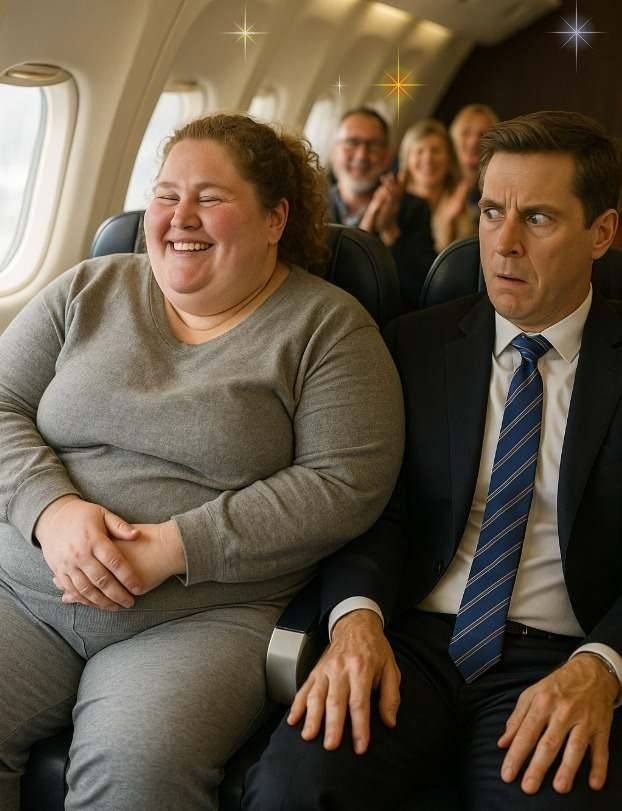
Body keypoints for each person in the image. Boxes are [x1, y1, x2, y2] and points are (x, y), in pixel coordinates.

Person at [0, 113, 404, 810]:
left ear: (275, 218)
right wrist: (51, 510)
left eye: (210, 198)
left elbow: (343, 484)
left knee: (135, 773)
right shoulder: (86, 289)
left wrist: (177, 546)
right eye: (166, 195)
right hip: (27, 591)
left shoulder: (328, 329)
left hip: (202, 615)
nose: (180, 217)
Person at [243, 110, 622, 810]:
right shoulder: (412, 345)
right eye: (492, 211)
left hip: (561, 656)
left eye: (537, 218)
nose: (504, 242)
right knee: (291, 789)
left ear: (601, 233)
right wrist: (355, 619)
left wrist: (604, 665)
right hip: (410, 641)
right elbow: (369, 506)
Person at [328, 107, 437, 310]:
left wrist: (389, 230)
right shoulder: (312, 206)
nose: (362, 155)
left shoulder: (413, 208)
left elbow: (421, 290)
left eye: (373, 146)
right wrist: (368, 227)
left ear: (388, 156)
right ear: (334, 151)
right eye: (352, 143)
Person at [399, 118, 475, 252]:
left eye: (435, 151)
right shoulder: (395, 207)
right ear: (407, 160)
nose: (428, 158)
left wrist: (450, 222)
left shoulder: (463, 205)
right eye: (419, 151)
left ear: (449, 159)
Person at [451, 102, 499, 229]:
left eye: (482, 134)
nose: (473, 141)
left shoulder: (500, 188)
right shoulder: (439, 184)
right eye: (466, 133)